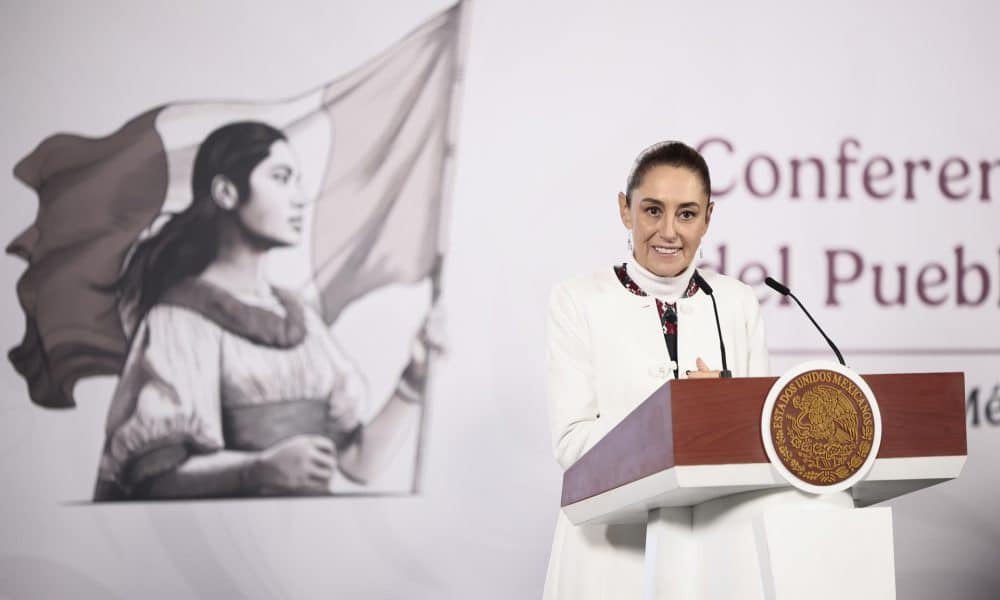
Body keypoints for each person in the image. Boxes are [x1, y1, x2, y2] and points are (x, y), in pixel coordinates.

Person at [94, 121, 434, 500]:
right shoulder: (179, 320)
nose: (300, 197)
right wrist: (257, 469)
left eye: (297, 180)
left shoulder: (301, 319)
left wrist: (413, 380)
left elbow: (358, 462)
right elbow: (155, 480)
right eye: (281, 177)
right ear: (225, 192)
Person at [542, 141, 770, 598]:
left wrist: (726, 407)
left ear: (708, 217)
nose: (669, 231)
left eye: (687, 214)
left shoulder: (737, 303)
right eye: (652, 211)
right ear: (625, 211)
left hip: (712, 551)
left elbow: (761, 441)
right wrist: (678, 417)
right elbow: (571, 443)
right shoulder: (578, 300)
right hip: (608, 553)